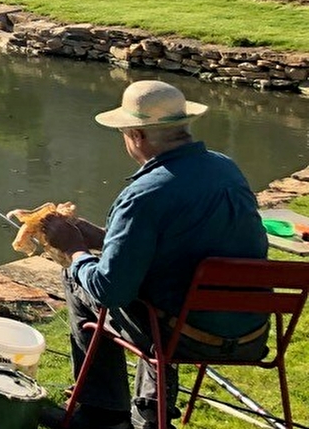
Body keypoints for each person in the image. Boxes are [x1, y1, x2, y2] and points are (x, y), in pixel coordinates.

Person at [36, 80, 268, 429]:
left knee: (78, 278)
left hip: (185, 335)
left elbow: (109, 290)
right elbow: (181, 248)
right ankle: (148, 412)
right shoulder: (226, 170)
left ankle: (102, 413)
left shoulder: (143, 195)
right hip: (252, 332)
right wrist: (104, 238)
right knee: (157, 290)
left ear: (138, 136)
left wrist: (75, 249)